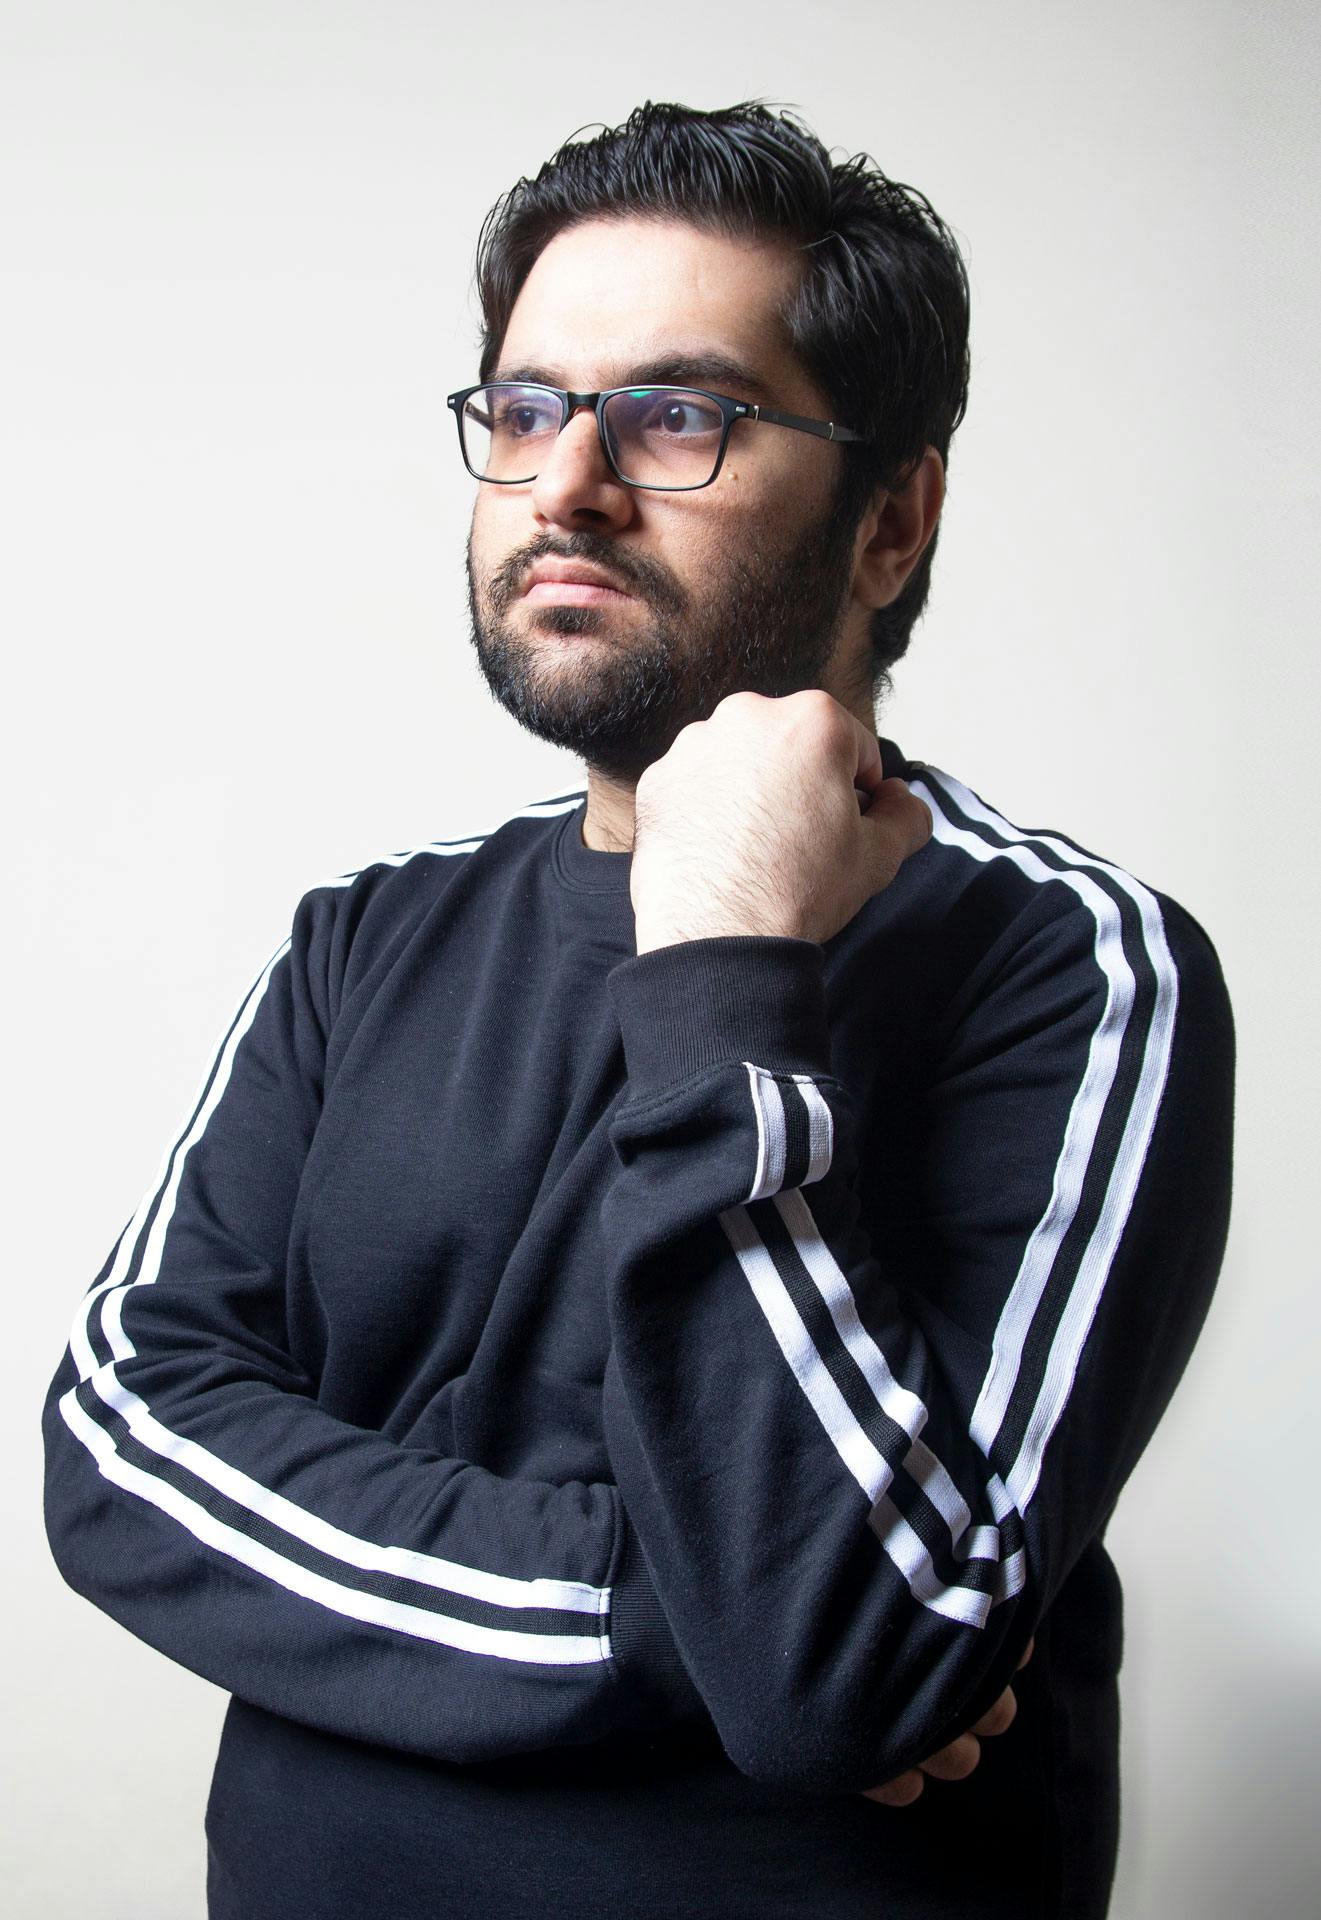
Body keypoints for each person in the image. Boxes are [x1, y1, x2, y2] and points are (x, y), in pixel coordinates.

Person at [41, 100, 1235, 1920]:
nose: (567, 484)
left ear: (891, 520)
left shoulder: (1072, 965)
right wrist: (697, 1630)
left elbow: (842, 1664)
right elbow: (126, 1447)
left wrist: (719, 957)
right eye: (525, 409)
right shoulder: (364, 936)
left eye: (678, 415)